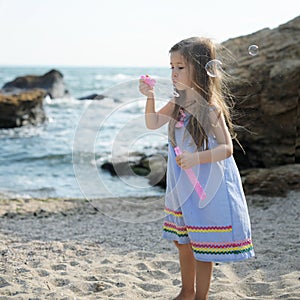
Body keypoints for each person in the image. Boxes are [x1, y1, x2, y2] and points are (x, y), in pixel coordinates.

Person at [139, 37, 255, 300]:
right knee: (183, 241)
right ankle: (186, 291)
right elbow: (152, 122)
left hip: (206, 183)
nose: (173, 73)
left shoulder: (210, 108)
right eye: (171, 67)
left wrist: (195, 159)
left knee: (204, 244)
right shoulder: (179, 102)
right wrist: (150, 97)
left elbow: (227, 149)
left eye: (180, 67)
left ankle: (200, 296)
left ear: (201, 70)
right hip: (183, 183)